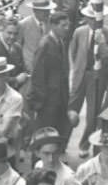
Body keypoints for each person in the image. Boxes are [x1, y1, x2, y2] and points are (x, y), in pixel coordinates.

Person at [68, 3, 108, 158]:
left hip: (97, 78)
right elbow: (74, 53)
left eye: (96, 19)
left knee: (92, 113)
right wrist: (77, 70)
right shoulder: (79, 32)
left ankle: (84, 144)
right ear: (87, 19)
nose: (93, 21)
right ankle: (63, 143)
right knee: (70, 111)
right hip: (81, 75)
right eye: (90, 18)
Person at [27, 9, 77, 142]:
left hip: (59, 100)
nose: (67, 29)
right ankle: (38, 161)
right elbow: (37, 75)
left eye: (68, 25)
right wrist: (40, 102)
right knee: (44, 136)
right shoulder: (45, 44)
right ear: (53, 25)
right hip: (47, 102)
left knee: (55, 133)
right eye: (63, 25)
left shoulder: (60, 42)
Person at [0, 16, 28, 93]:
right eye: (9, 33)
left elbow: (23, 70)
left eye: (15, 34)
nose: (12, 37)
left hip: (15, 93)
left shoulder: (17, 47)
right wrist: (16, 80)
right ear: (2, 31)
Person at [18, 0, 51, 82]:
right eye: (44, 11)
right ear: (35, 11)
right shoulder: (23, 25)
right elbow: (18, 46)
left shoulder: (50, 23)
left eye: (48, 10)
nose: (47, 13)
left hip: (48, 67)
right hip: (30, 69)